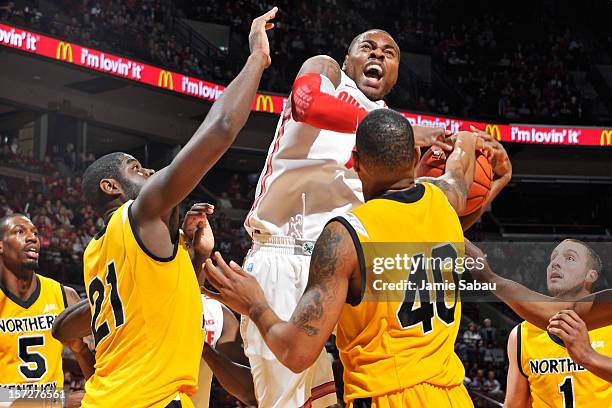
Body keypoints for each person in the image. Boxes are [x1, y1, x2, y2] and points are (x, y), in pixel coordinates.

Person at [241, 26, 462, 408]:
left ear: (395, 72)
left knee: (328, 401)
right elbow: (306, 103)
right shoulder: (327, 72)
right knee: (286, 402)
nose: (378, 54)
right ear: (348, 60)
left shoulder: (389, 127)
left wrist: (426, 171)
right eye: (368, 47)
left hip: (341, 270)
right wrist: (404, 132)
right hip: (285, 253)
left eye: (389, 52)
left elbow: (389, 206)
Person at [205, 110, 480, 407]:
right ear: (415, 158)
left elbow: (296, 353)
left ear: (356, 161)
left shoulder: (347, 235)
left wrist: (255, 304)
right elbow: (457, 173)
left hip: (388, 397)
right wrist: (469, 140)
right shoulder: (444, 201)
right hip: (452, 394)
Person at [74, 8, 277, 407]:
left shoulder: (95, 252)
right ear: (111, 186)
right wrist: (257, 58)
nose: (149, 170)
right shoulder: (139, 214)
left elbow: (161, 308)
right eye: (136, 167)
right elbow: (219, 129)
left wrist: (192, 255)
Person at [52, 205, 257, 408]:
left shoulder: (217, 315)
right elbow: (61, 329)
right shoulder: (129, 305)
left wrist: (201, 346)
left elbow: (251, 393)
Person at [501, 239, 611, 407]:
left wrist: (588, 356)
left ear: (591, 275)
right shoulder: (521, 335)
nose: (555, 263)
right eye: (553, 258)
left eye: (569, 258)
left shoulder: (608, 325)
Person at [0, 214, 94, 405]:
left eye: (35, 233)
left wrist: (81, 350)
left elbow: (98, 374)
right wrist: (56, 401)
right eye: (19, 231)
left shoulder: (64, 296)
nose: (32, 237)